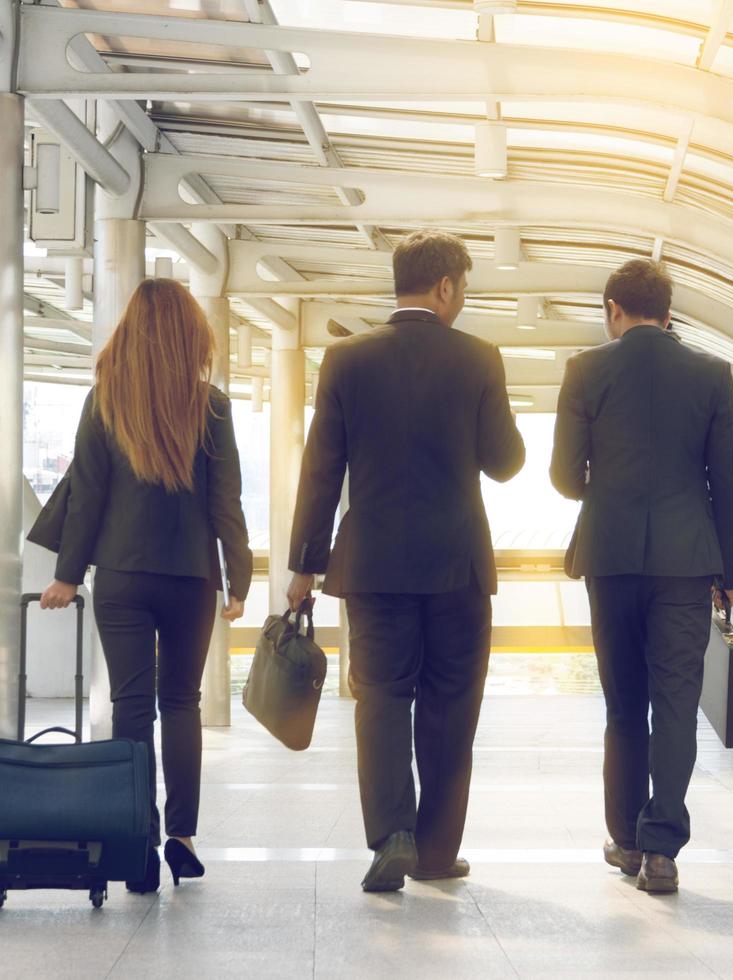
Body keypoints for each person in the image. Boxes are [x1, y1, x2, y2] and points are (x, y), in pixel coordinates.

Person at [286, 230, 525, 892]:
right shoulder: (479, 357)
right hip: (457, 566)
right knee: (451, 702)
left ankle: (392, 835)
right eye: (464, 288)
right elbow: (507, 462)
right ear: (446, 287)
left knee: (383, 697)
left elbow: (321, 471)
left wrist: (305, 565)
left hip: (374, 568)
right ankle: (438, 851)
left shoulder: (345, 360)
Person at [39, 278, 253, 895]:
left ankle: (135, 841)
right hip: (191, 576)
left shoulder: (104, 400)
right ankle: (181, 838)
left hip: (123, 577)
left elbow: (86, 498)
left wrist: (66, 576)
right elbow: (226, 502)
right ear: (193, 336)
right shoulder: (211, 405)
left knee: (130, 707)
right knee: (180, 703)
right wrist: (238, 579)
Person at [550, 259, 733, 895]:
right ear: (669, 311)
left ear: (613, 309)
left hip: (609, 558)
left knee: (625, 703)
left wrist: (601, 490)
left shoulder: (586, 370)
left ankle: (627, 842)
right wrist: (728, 568)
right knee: (676, 704)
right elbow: (729, 482)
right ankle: (663, 849)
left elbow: (560, 475)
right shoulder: (711, 374)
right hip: (688, 561)